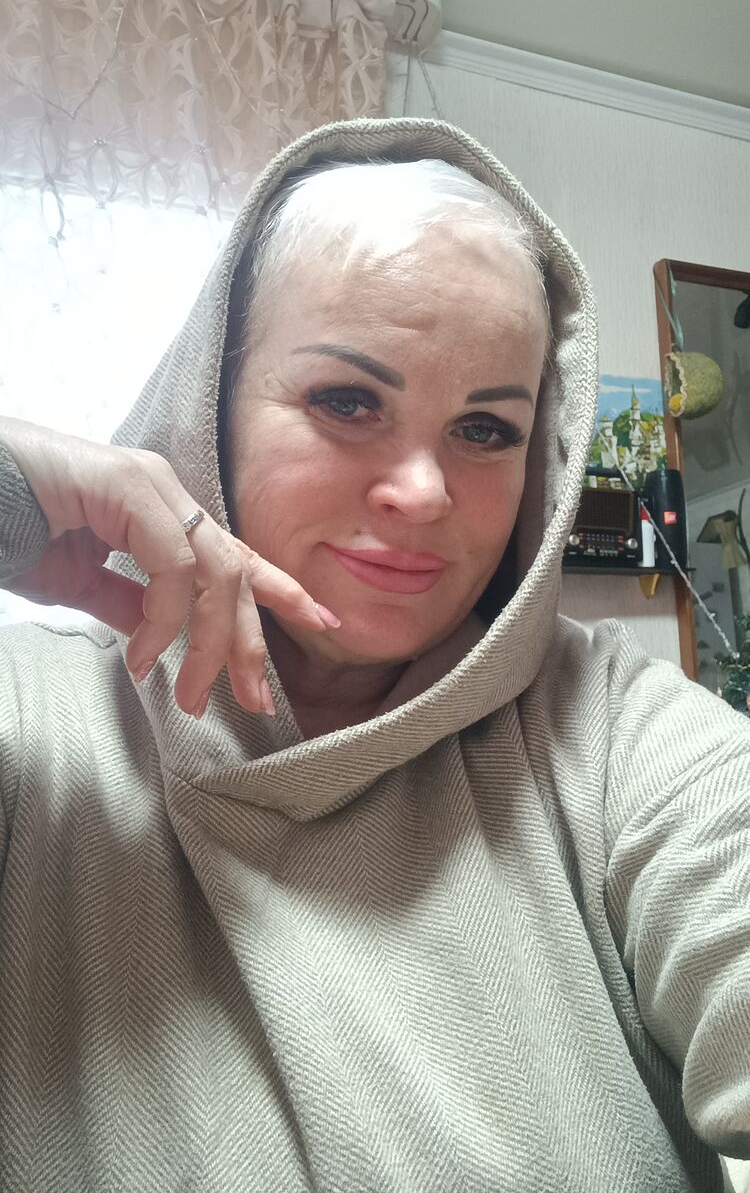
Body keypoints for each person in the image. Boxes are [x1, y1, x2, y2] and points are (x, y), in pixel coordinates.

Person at [0, 116, 747, 1193]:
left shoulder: (620, 732)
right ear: (208, 406)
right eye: (348, 401)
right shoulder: (35, 716)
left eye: (486, 429)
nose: (424, 493)